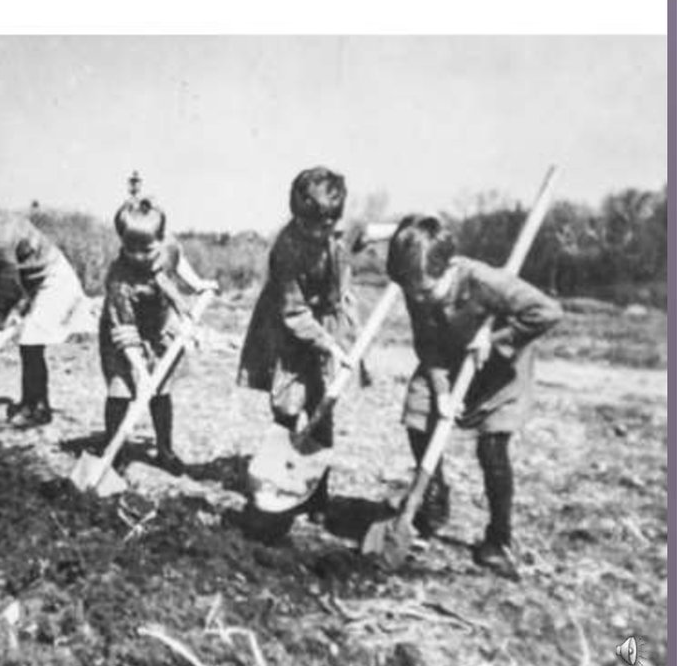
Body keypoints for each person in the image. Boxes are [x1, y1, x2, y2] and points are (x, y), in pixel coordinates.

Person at [385, 214, 563, 576]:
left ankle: (498, 539)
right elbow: (427, 344)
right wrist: (441, 392)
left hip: (500, 371)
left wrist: (495, 339)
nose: (418, 298)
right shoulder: (415, 284)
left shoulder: (484, 281)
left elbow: (548, 311)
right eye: (411, 291)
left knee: (491, 449)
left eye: (426, 291)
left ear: (449, 267)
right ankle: (432, 502)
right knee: (418, 413)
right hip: (449, 362)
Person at [237, 166, 389, 464]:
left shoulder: (339, 228)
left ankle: (317, 480)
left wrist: (405, 229)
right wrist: (331, 346)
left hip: (330, 319)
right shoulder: (287, 248)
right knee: (287, 403)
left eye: (328, 223)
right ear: (298, 216)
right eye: (313, 225)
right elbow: (294, 312)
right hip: (290, 325)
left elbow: (365, 233)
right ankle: (278, 467)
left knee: (323, 400)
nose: (321, 232)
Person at [0, 182, 86, 428]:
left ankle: (38, 408)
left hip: (55, 281)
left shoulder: (2, 235)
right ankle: (32, 403)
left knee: (30, 341)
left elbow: (8, 283)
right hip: (37, 282)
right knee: (30, 343)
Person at [100, 196, 217, 474]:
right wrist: (141, 370)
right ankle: (114, 453)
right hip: (120, 332)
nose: (139, 255)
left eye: (147, 249)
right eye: (130, 248)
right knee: (121, 390)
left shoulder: (168, 246)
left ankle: (165, 450)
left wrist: (197, 284)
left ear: (160, 238)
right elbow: (124, 330)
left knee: (160, 390)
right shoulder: (119, 280)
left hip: (157, 327)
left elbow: (178, 260)